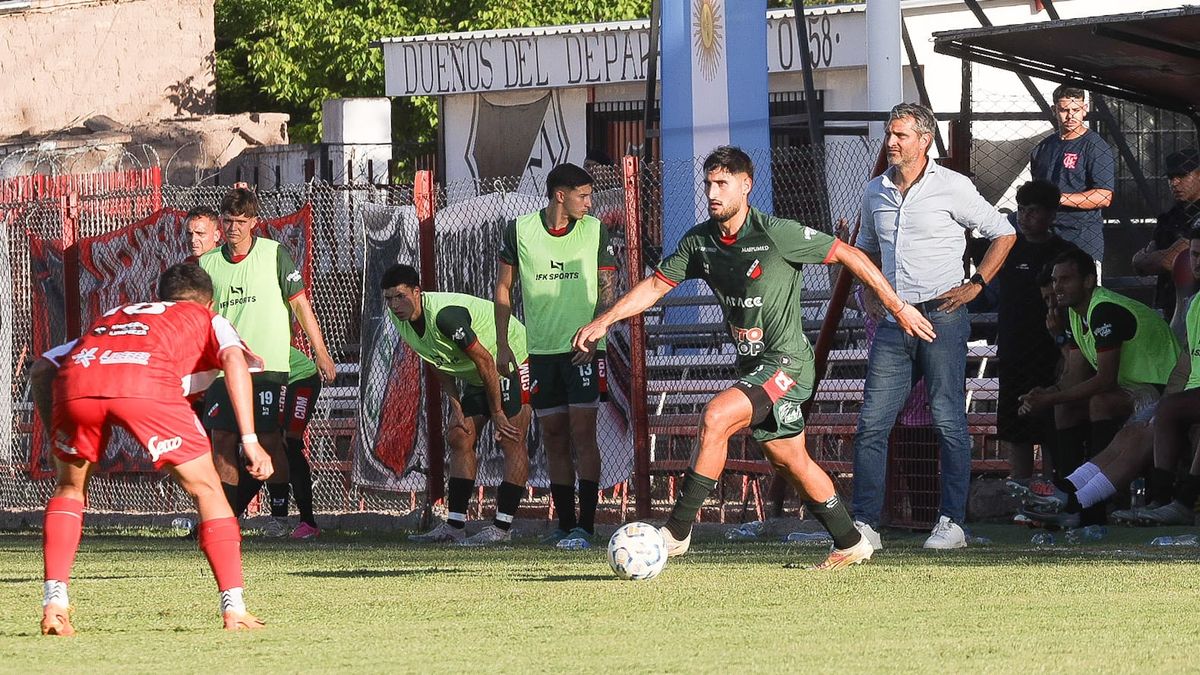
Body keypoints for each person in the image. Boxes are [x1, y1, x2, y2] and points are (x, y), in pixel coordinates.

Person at [573, 145, 936, 570]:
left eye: (722, 183)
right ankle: (851, 541)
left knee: (715, 416)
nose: (713, 192)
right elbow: (655, 285)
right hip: (754, 367)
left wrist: (897, 306)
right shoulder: (700, 242)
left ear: (746, 186)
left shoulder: (775, 233)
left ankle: (675, 533)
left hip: (787, 363)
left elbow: (849, 254)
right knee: (791, 460)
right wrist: (605, 320)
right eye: (709, 183)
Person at [29, 263, 272, 635]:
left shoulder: (117, 314)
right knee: (207, 489)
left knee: (69, 487)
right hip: (147, 384)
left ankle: (55, 604)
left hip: (79, 381)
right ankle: (234, 608)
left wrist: (53, 436)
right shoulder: (207, 317)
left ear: (161, 297)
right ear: (210, 302)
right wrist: (251, 441)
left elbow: (43, 368)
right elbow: (234, 359)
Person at [851, 103, 1016, 550]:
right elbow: (862, 249)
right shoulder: (874, 192)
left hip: (943, 313)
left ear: (925, 140)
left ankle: (952, 523)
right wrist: (867, 293)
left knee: (947, 419)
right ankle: (864, 524)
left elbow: (1003, 231)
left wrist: (977, 284)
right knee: (872, 424)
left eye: (901, 135)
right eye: (890, 134)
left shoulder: (953, 186)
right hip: (893, 317)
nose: (891, 143)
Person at [494, 163, 617, 547]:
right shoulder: (519, 230)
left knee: (584, 435)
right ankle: (565, 525)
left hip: (583, 349)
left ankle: (587, 524)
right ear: (559, 196)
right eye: (583, 195)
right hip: (541, 352)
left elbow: (608, 285)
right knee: (553, 436)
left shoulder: (595, 230)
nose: (589, 203)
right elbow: (503, 289)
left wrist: (597, 332)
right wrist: (502, 343)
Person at [198, 187, 336, 523]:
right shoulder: (207, 263)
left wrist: (321, 352)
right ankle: (226, 521)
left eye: (241, 221)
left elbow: (301, 305)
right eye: (228, 221)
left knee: (269, 438)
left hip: (269, 366)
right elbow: (200, 316)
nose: (234, 228)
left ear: (254, 222)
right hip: (224, 369)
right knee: (223, 442)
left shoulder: (274, 254)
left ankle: (278, 518)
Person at [1017, 248, 1180, 527]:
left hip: (1165, 388)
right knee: (1072, 409)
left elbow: (1105, 379)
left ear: (1090, 280)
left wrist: (1051, 399)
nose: (1057, 287)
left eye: (1066, 279)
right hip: (1137, 389)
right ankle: (1067, 491)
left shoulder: (1104, 309)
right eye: (1055, 281)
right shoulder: (1074, 314)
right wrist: (1047, 395)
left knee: (1111, 414)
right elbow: (1075, 375)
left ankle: (1083, 505)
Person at [383, 264, 534, 546]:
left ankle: (502, 529)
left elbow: (487, 360)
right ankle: (454, 526)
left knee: (511, 438)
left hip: (511, 359)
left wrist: (497, 412)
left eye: (400, 296)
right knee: (459, 435)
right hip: (478, 372)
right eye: (389, 299)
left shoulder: (445, 316)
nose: (394, 304)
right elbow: (433, 357)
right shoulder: (399, 319)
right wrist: (456, 406)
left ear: (417, 292)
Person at [994, 181, 1076, 488]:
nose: (1026, 217)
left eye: (1034, 211)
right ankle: (1020, 488)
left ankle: (1056, 486)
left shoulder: (1066, 254)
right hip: (1014, 348)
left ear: (1051, 215)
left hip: (1052, 350)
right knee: (1017, 424)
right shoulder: (1005, 247)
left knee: (1053, 421)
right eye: (1022, 210)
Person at [1117, 228, 1200, 526]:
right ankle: (1159, 501)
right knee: (1148, 420)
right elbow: (1186, 361)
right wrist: (1168, 400)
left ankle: (1184, 502)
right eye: (1194, 255)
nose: (1198, 263)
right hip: (1193, 395)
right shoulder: (1195, 303)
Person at [1029, 85, 1115, 264]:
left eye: (1075, 110)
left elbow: (1104, 196)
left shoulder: (1095, 146)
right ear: (1054, 110)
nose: (1070, 116)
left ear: (1085, 109)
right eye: (1064, 110)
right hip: (1046, 237)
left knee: (1080, 290)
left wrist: (1058, 198)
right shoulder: (1042, 148)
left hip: (1082, 239)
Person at [1131, 148, 1200, 324]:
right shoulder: (1170, 216)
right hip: (1169, 303)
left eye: (1182, 176)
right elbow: (1140, 264)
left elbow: (1173, 261)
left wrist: (1149, 259)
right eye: (1170, 177)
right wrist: (1151, 259)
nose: (1174, 183)